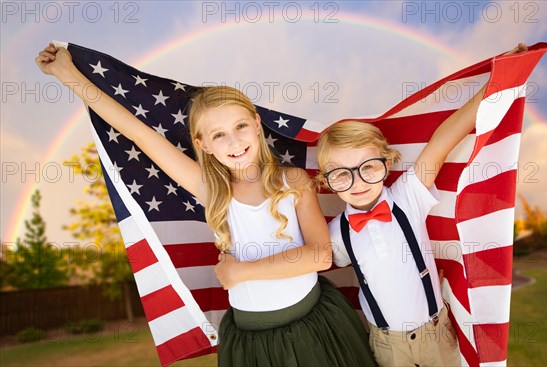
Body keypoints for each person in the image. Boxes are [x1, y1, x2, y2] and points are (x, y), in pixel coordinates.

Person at [35, 43, 376, 367]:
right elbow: (138, 132)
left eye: (240, 126)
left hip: (314, 326)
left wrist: (241, 272)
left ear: (257, 125)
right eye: (218, 135)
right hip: (251, 339)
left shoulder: (294, 182)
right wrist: (69, 75)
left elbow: (319, 255)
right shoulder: (211, 190)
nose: (234, 141)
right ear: (203, 144)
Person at [315, 44, 527, 367]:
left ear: (388, 162)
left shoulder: (406, 196)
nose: (357, 182)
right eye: (342, 175)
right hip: (385, 344)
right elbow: (306, 260)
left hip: (435, 334)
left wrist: (497, 83)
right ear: (327, 181)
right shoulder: (335, 232)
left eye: (368, 167)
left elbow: (445, 138)